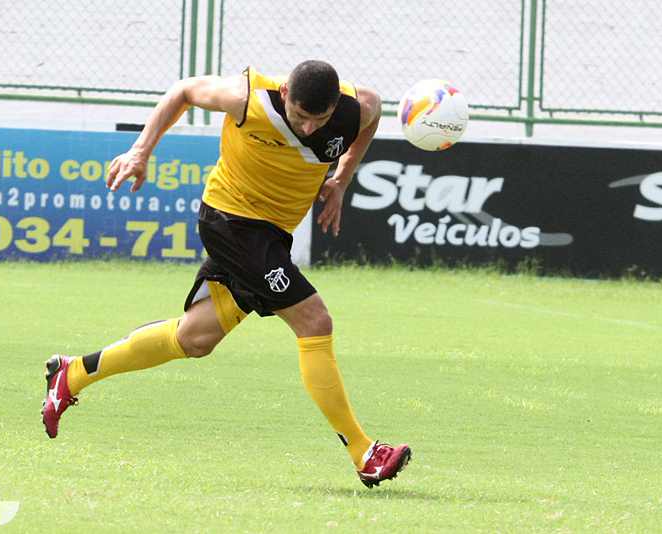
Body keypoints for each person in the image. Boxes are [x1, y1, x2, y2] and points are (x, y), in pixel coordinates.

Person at [41, 60, 411, 488]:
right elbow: (182, 90)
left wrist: (342, 178)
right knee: (315, 321)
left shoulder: (356, 107)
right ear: (286, 92)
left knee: (194, 339)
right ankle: (363, 451)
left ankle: (72, 374)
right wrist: (140, 151)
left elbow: (373, 112)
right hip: (232, 223)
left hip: (270, 235)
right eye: (299, 117)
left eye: (319, 120)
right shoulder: (247, 98)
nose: (308, 129)